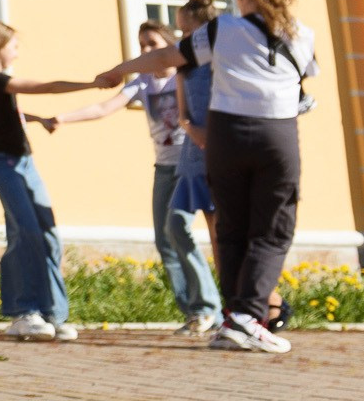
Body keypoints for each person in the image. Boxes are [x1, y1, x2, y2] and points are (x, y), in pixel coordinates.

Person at [100, 0, 317, 355]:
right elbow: (303, 82)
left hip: (226, 135)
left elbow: (169, 57)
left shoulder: (223, 29)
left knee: (231, 227)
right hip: (275, 135)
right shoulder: (303, 34)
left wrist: (121, 69)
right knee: (273, 228)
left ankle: (235, 318)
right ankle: (251, 317)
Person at [30, 19, 222, 332]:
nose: (146, 50)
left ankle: (207, 307)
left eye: (153, 45)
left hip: (190, 165)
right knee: (165, 239)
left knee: (178, 227)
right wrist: (61, 119)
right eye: (142, 44)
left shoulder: (186, 76)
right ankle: (193, 311)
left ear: (168, 47)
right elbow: (104, 108)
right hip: (164, 168)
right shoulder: (144, 83)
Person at [0, 19, 99, 342]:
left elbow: (12, 114)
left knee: (48, 234)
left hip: (24, 162)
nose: (17, 52)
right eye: (14, 45)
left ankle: (54, 313)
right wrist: (92, 84)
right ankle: (23, 312)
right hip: (2, 164)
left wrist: (41, 120)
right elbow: (48, 87)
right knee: (25, 232)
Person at [169, 0, 221, 308]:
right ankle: (217, 304)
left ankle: (245, 303)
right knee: (182, 224)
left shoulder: (223, 60)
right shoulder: (184, 66)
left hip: (223, 149)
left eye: (186, 32)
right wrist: (192, 129)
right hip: (194, 154)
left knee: (224, 233)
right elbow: (182, 113)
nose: (182, 38)